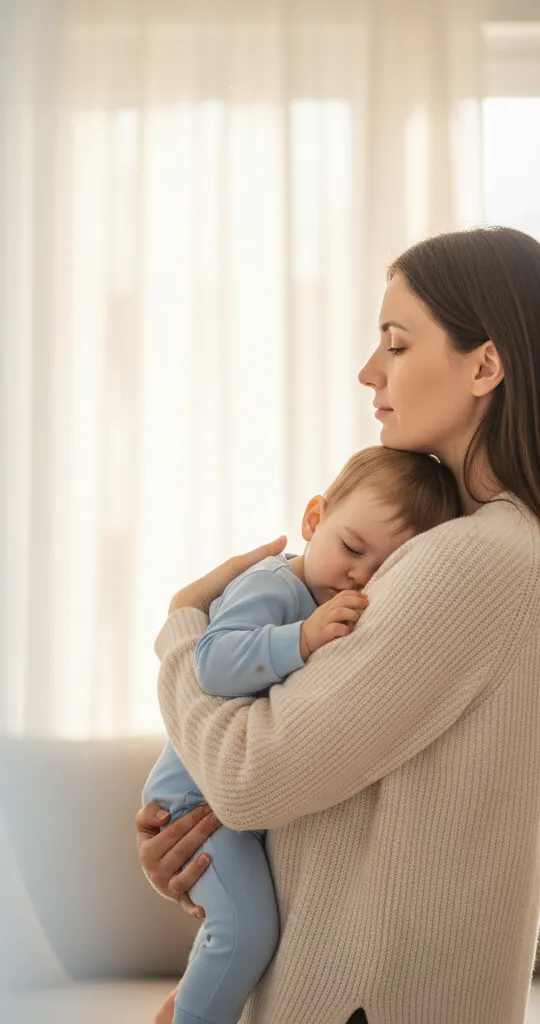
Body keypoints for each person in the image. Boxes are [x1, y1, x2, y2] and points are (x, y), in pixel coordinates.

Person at [135, 226, 540, 1024]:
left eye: (397, 342)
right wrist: (208, 852)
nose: (368, 371)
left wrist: (182, 630)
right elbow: (334, 787)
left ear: (485, 366)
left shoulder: (479, 560)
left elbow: (253, 777)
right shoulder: (467, 548)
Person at [141, 446, 462, 1024]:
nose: (356, 577)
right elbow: (211, 664)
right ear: (313, 520)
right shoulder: (274, 585)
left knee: (241, 926)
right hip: (193, 802)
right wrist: (302, 639)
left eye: (380, 570)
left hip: (233, 804)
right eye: (351, 549)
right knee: (243, 931)